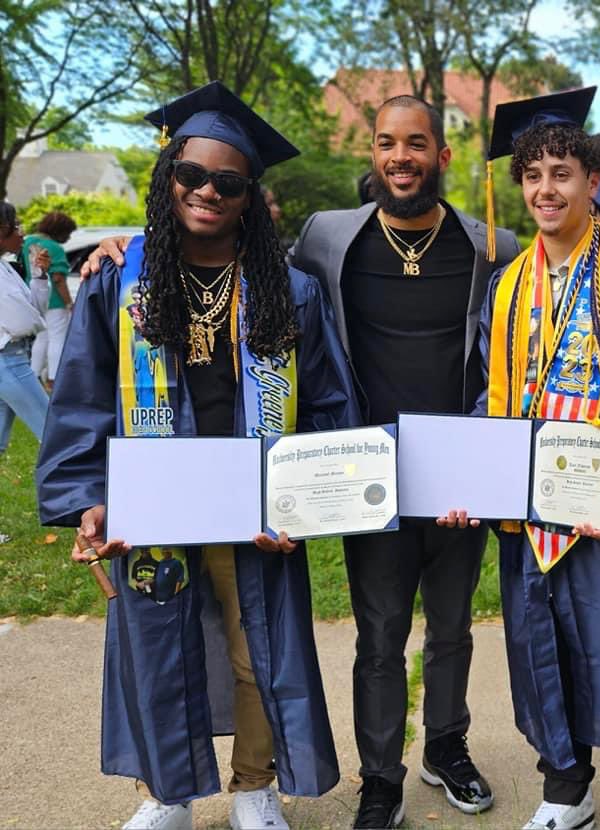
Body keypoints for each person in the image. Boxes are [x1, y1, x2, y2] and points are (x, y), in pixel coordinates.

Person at [37, 81, 361, 830]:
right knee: (159, 650)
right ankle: (169, 794)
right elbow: (81, 402)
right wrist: (89, 497)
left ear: (249, 196)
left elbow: (330, 409)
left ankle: (254, 785)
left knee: (259, 657)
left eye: (228, 181)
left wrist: (308, 502)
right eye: (190, 175)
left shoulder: (291, 292)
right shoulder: (122, 282)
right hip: (156, 505)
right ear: (167, 179)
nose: (206, 191)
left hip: (255, 508)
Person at [444, 86, 600, 830]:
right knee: (545, 649)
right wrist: (468, 478)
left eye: (562, 173)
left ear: (592, 182)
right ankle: (566, 790)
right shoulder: (506, 285)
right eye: (533, 176)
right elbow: (493, 399)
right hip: (533, 510)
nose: (546, 189)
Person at [292, 95, 519, 828]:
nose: (400, 157)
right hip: (370, 480)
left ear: (442, 156)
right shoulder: (329, 239)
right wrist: (127, 250)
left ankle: (445, 748)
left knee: (452, 627)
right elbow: (256, 276)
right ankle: (381, 776)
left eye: (416, 143)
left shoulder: (492, 247)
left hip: (460, 475)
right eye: (387, 142)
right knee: (380, 635)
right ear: (373, 153)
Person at [0, 202, 48, 454]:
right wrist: (35, 323)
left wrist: (40, 276)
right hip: (8, 360)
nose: (22, 233)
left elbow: (35, 310)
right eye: (16, 226)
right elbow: (26, 321)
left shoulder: (6, 268)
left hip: (15, 355)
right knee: (52, 431)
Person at [22, 210, 76, 387]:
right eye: (67, 233)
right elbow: (58, 278)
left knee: (42, 337)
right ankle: (54, 379)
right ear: (60, 230)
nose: (68, 238)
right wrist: (69, 302)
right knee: (57, 338)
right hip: (53, 300)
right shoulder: (54, 248)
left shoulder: (26, 242)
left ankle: (34, 376)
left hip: (32, 298)